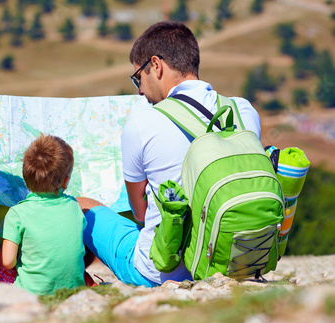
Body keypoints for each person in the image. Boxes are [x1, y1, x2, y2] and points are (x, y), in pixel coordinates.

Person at [77, 21, 262, 287]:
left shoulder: (143, 121)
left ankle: (72, 282)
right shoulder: (242, 111)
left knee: (80, 206)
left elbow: (140, 213)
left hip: (160, 273)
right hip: (236, 262)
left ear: (156, 65)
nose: (140, 90)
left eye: (137, 77)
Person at [0, 134, 87, 295]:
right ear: (65, 181)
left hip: (29, 293)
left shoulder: (17, 213)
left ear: (25, 178)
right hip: (73, 289)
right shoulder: (74, 206)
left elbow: (6, 262)